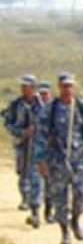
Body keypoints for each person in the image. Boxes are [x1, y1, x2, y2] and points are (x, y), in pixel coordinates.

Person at [35, 73, 83, 244]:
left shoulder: (82, 107)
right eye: (64, 86)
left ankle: (75, 220)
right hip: (57, 160)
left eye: (70, 86)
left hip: (79, 159)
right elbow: (41, 135)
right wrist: (41, 159)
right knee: (59, 197)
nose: (67, 89)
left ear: (74, 87)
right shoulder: (51, 108)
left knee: (81, 194)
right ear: (59, 87)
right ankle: (64, 231)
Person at [4, 75, 44, 225]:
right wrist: (21, 132)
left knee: (36, 176)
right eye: (22, 86)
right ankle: (25, 198)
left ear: (33, 87)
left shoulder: (43, 105)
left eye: (26, 86)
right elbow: (8, 123)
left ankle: (35, 209)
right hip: (22, 145)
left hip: (38, 147)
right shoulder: (16, 105)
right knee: (22, 172)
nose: (23, 89)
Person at [35, 81, 53, 224]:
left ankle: (49, 210)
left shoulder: (56, 108)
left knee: (51, 183)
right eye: (41, 94)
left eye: (45, 94)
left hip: (54, 152)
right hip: (36, 150)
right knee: (37, 182)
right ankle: (35, 212)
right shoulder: (33, 109)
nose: (43, 97)